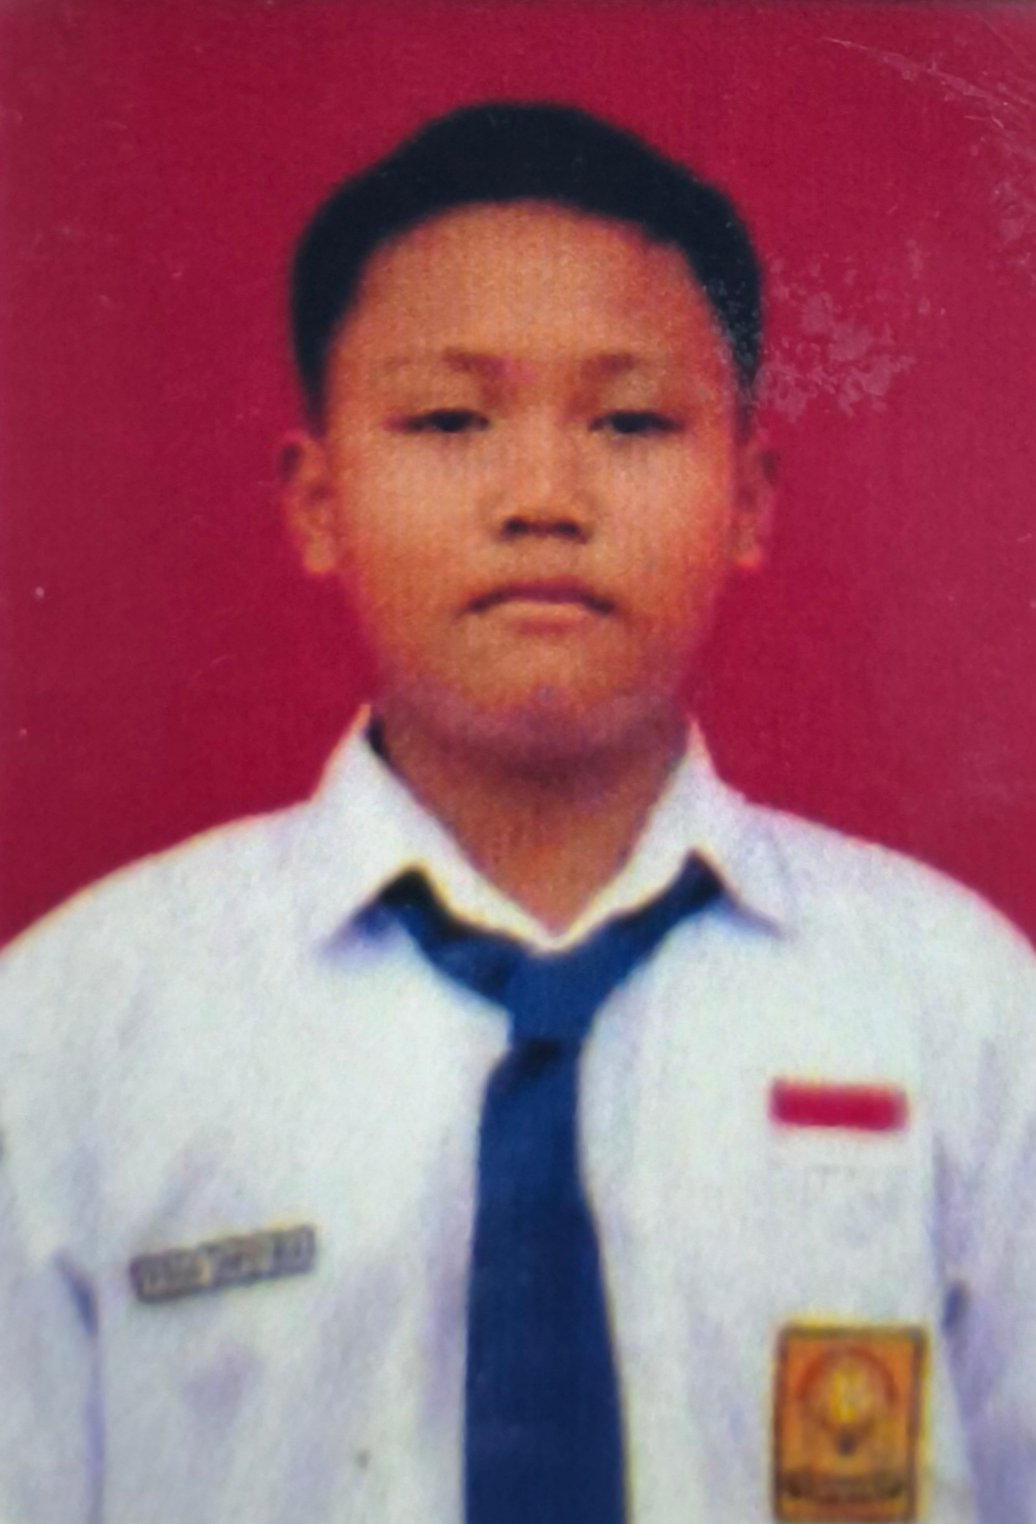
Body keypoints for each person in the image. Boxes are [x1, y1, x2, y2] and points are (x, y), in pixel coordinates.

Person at [0, 101, 1033, 1524]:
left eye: (630, 420)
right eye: (449, 420)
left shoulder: (958, 1006)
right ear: (317, 502)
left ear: (747, 500)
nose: (544, 497)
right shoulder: (74, 1030)